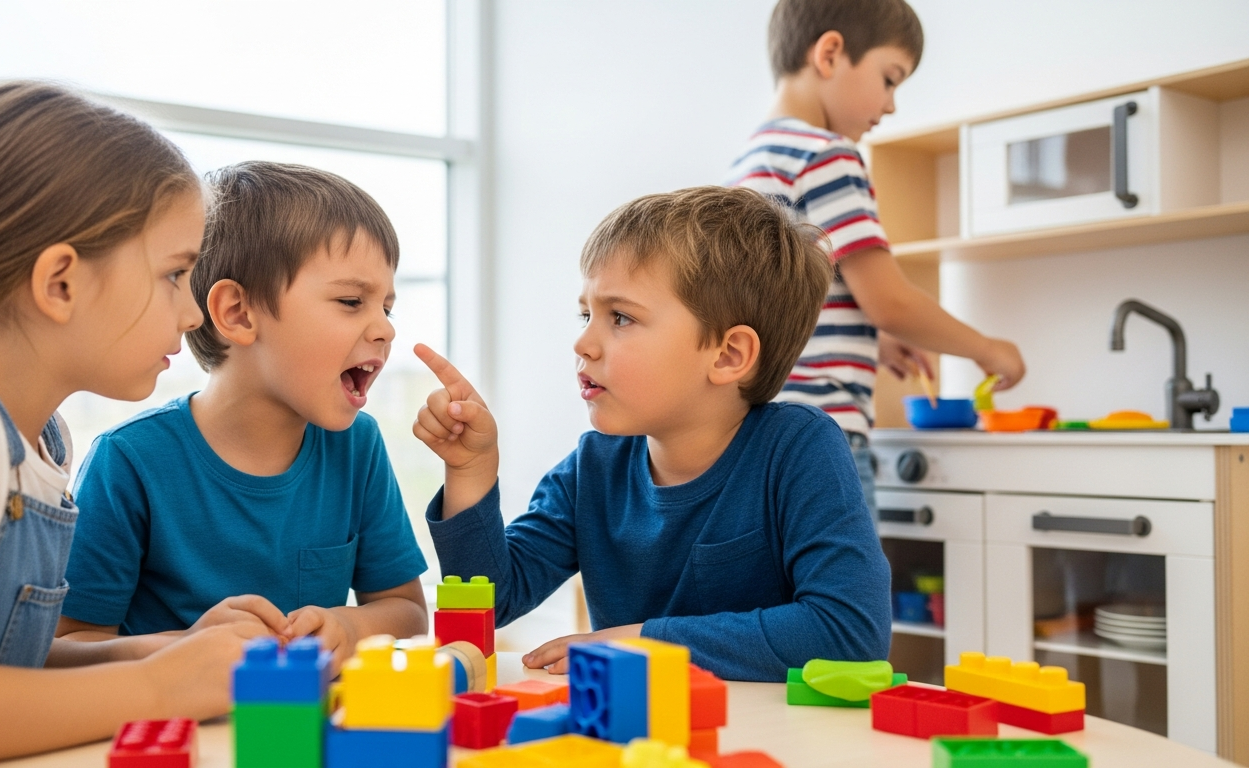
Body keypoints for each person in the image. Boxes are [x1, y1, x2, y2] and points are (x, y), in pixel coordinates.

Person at [0, 82, 266, 766]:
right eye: (173, 274)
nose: (191, 315)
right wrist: (157, 686)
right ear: (60, 282)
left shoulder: (40, 440)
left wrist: (141, 653)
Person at [412, 186, 891, 681]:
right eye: (586, 314)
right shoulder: (594, 466)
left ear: (728, 356)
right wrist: (469, 471)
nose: (582, 342)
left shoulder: (799, 449)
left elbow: (849, 633)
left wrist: (642, 641)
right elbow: (491, 602)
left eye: (620, 317)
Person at [58, 162, 429, 672]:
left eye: (387, 307)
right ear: (237, 313)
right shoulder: (130, 460)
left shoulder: (356, 445)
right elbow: (66, 646)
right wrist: (186, 647)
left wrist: (347, 625)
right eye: (351, 301)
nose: (384, 329)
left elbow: (407, 610)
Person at [727, 0, 1025, 521]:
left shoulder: (747, 166)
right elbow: (889, 300)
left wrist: (872, 337)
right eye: (890, 79)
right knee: (847, 602)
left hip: (748, 436)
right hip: (822, 437)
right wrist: (986, 349)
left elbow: (781, 301)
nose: (890, 106)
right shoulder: (827, 155)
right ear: (830, 53)